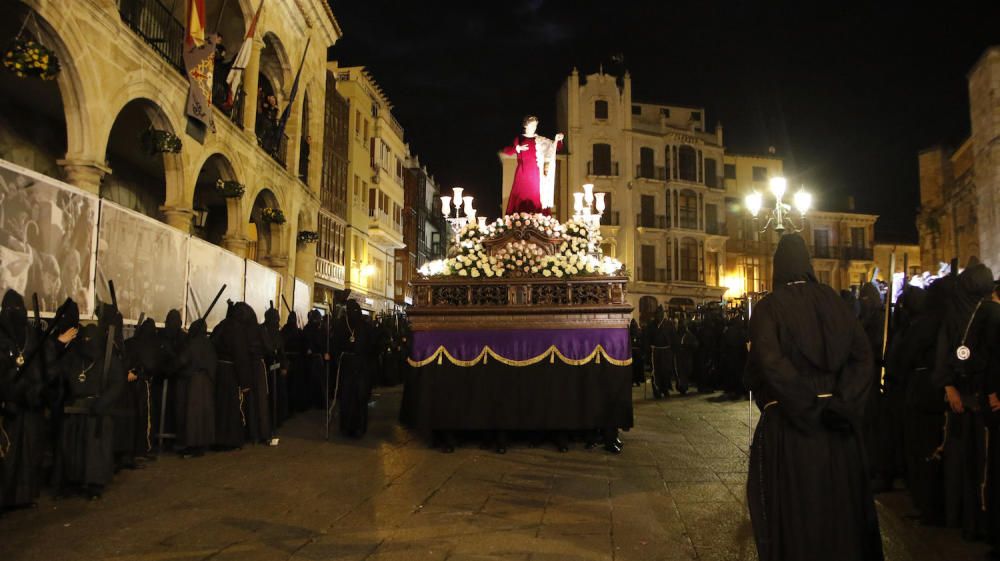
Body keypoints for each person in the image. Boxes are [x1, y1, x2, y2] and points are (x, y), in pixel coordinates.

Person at [745, 234, 883, 561]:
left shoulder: (768, 308)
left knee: (797, 512)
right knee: (840, 510)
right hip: (836, 428)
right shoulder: (836, 302)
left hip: (791, 429)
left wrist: (803, 405)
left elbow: (769, 363)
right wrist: (841, 403)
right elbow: (863, 358)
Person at [933, 261, 998, 541]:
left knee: (974, 464)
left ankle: (974, 521)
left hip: (973, 397)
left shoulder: (972, 313)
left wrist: (950, 385)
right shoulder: (984, 312)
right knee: (978, 463)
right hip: (980, 398)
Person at [58, 323, 125, 500]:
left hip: (98, 412)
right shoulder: (74, 357)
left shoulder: (108, 359)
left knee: (95, 451)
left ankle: (95, 483)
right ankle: (74, 480)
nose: (87, 343)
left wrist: (103, 402)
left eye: (91, 340)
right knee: (75, 448)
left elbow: (117, 383)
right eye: (84, 339)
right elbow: (61, 375)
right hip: (76, 410)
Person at [0, 289, 47, 508]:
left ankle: (23, 496)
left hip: (28, 405)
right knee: (7, 455)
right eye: (12, 310)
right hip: (7, 406)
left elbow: (38, 366)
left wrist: (33, 390)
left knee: (28, 452)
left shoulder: (30, 333)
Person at [501, 116, 563, 215]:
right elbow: (507, 151)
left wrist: (558, 139)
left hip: (536, 174)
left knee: (536, 195)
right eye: (532, 125)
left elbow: (556, 147)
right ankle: (518, 220)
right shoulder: (520, 139)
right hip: (522, 172)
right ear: (526, 125)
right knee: (521, 195)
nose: (534, 127)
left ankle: (539, 221)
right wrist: (517, 148)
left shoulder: (540, 140)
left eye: (535, 125)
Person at [174, 319, 216, 458]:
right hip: (206, 381)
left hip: (193, 382)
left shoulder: (192, 344)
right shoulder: (208, 343)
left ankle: (192, 445)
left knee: (193, 415)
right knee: (203, 414)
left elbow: (182, 360)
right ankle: (202, 443)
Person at [332, 300, 372, 438]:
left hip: (360, 366)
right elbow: (335, 345)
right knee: (347, 397)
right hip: (347, 366)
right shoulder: (341, 326)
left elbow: (371, 347)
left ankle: (359, 427)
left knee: (360, 397)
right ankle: (347, 427)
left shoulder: (365, 327)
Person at [211, 303, 245, 450]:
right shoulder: (237, 330)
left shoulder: (220, 327)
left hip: (219, 370)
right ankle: (228, 440)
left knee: (219, 406)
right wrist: (244, 380)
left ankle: (217, 438)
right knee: (230, 407)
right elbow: (239, 354)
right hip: (231, 372)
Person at [645, 306, 677, 399]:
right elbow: (647, 338)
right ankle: (657, 390)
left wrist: (674, 350)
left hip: (666, 351)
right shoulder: (651, 325)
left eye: (660, 314)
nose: (658, 316)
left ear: (663, 314)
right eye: (657, 314)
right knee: (655, 372)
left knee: (666, 371)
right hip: (655, 352)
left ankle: (665, 389)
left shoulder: (669, 324)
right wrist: (647, 350)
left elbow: (673, 337)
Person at [629, 319, 645, 387]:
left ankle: (636, 381)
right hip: (634, 352)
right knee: (635, 368)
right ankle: (635, 381)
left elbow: (642, 342)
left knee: (636, 368)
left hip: (634, 352)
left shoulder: (637, 332)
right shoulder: (637, 331)